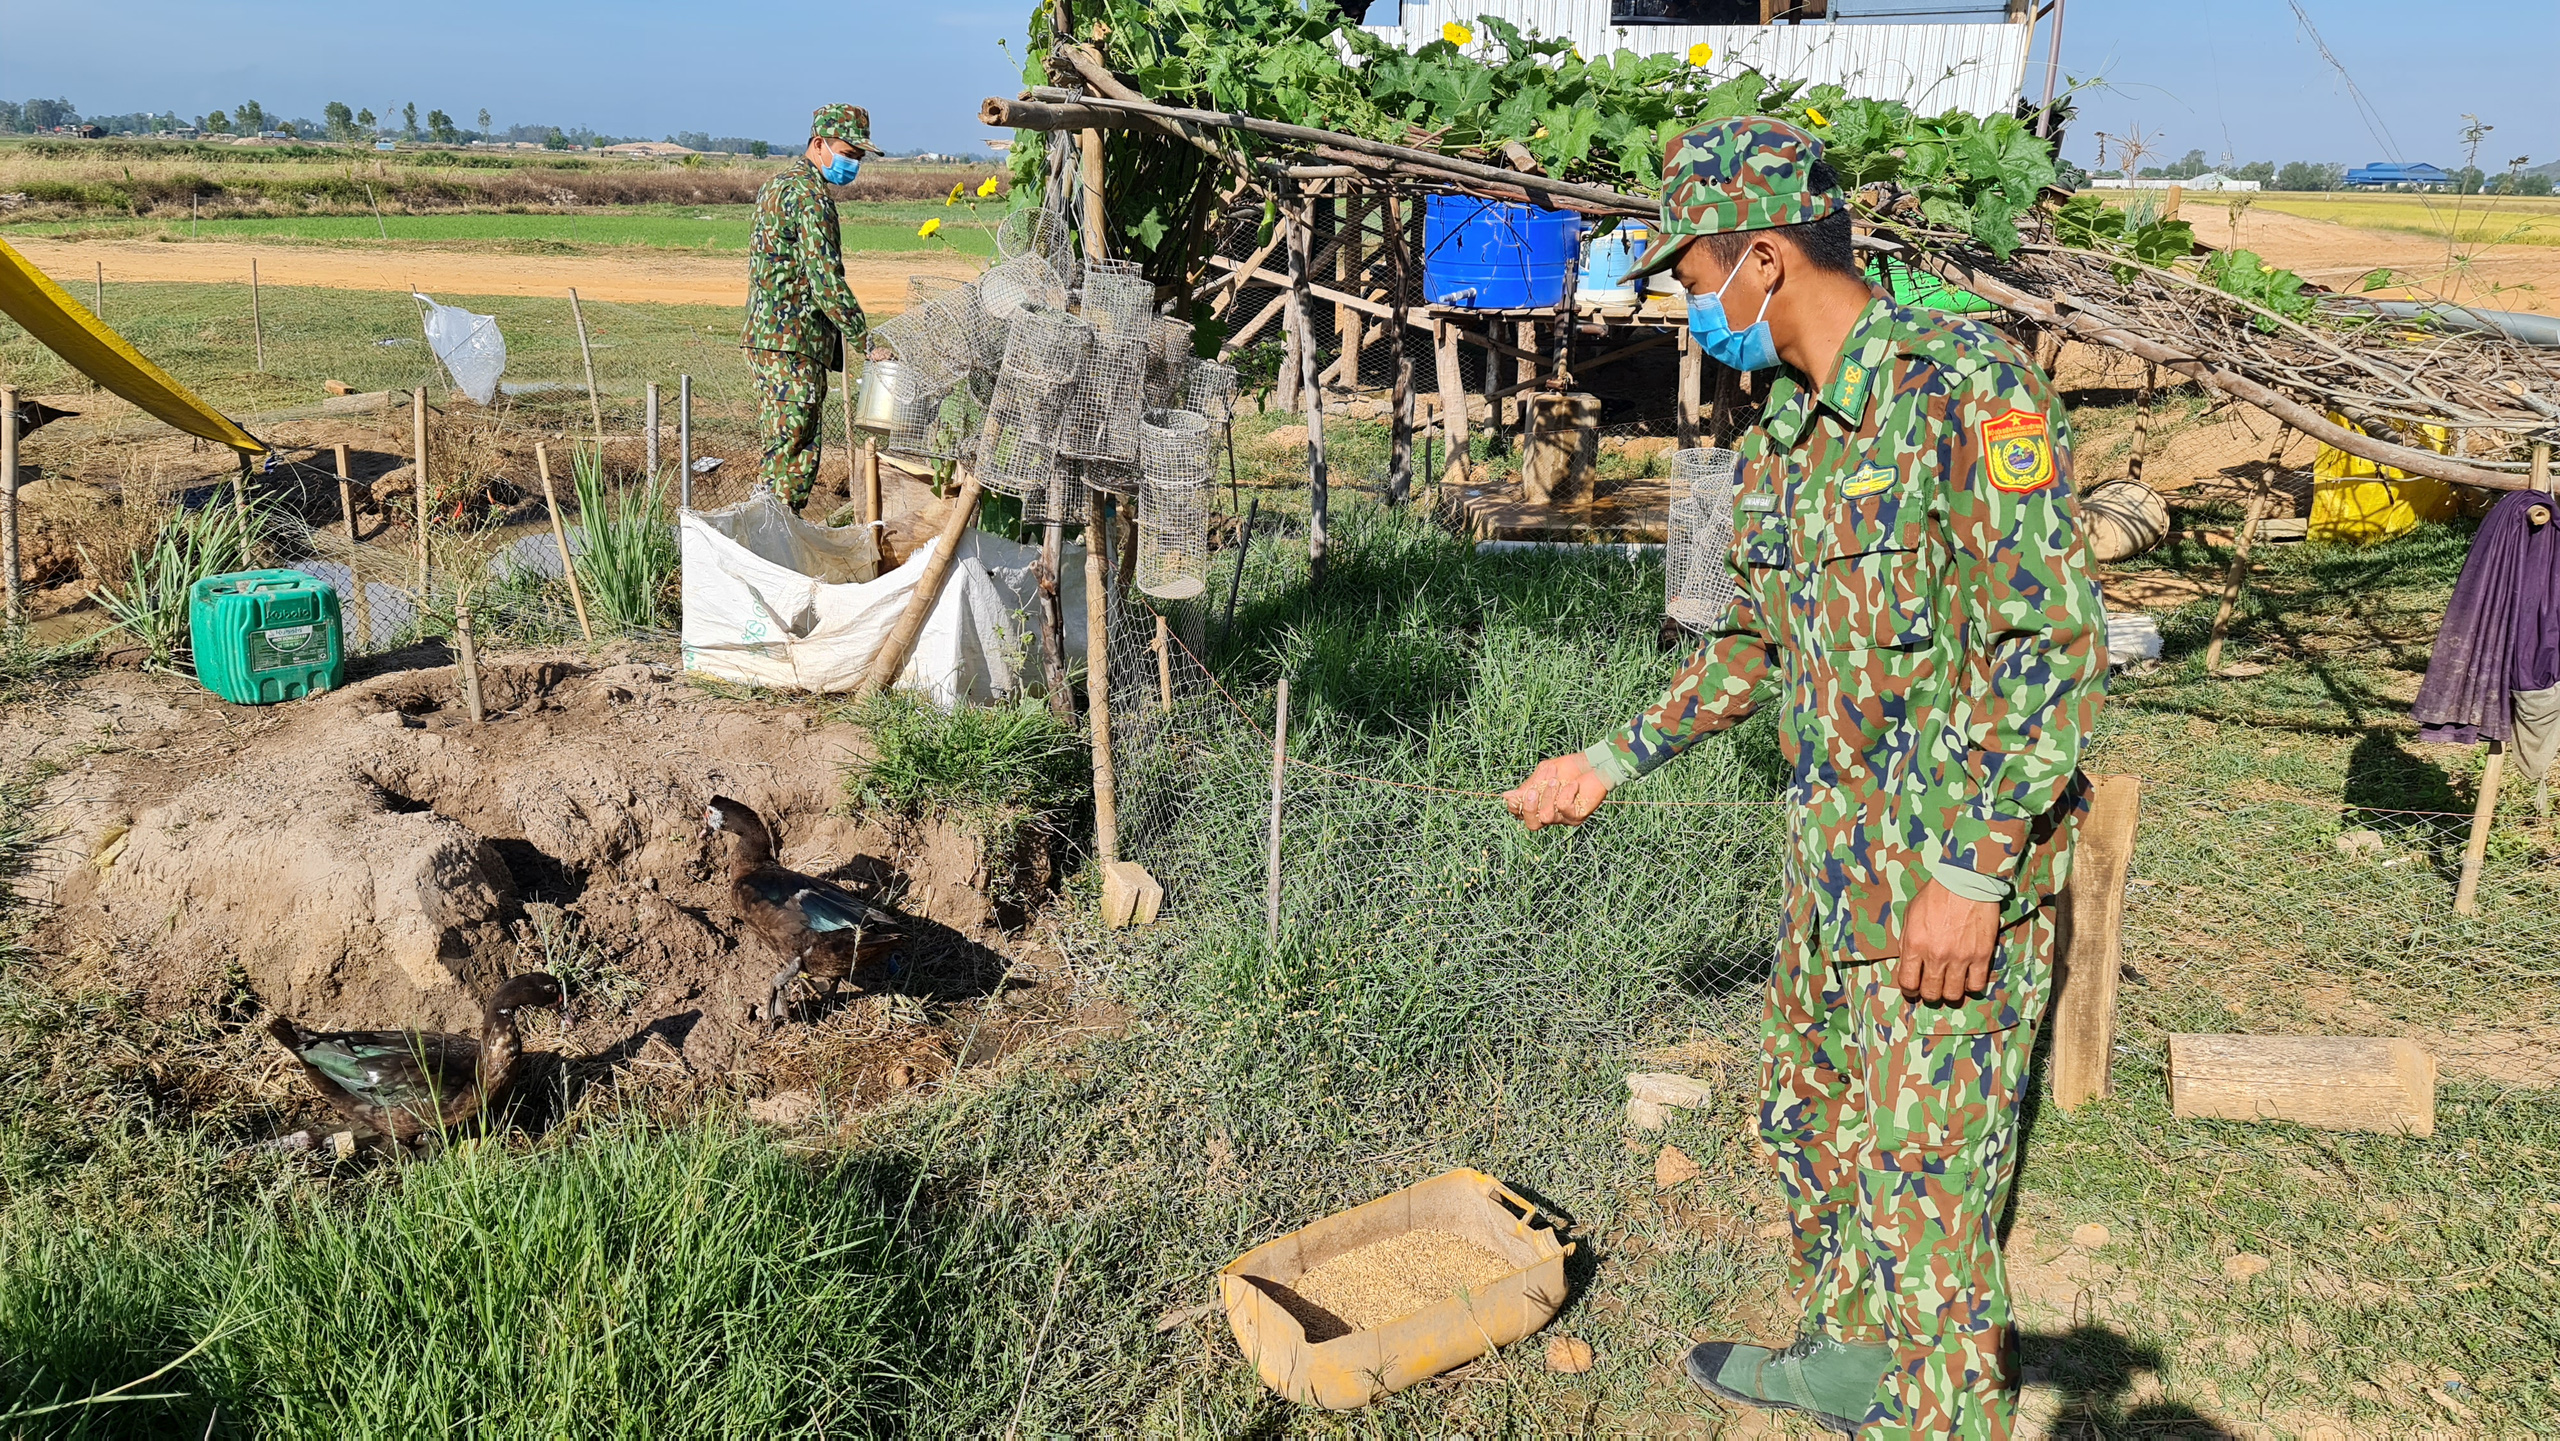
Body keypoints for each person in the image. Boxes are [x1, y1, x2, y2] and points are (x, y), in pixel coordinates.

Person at [1503, 117, 2105, 1439]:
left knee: (1924, 1203)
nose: (1684, 305)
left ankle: (1931, 1412)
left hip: (1945, 889)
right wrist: (1606, 760)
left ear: (1762, 259)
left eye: (1688, 274)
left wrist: (1971, 870)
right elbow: (1753, 645)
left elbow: (2050, 650)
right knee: (1809, 1130)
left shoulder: (1967, 391)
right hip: (1833, 873)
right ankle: (1844, 1369)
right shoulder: (1780, 432)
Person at [743, 103, 880, 508]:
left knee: (783, 446)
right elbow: (825, 280)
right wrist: (865, 340)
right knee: (794, 453)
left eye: (858, 157)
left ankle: (772, 534)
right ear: (819, 144)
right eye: (848, 153)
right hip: (791, 341)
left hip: (773, 339)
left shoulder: (779, 184)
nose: (853, 164)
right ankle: (774, 540)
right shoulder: (809, 196)